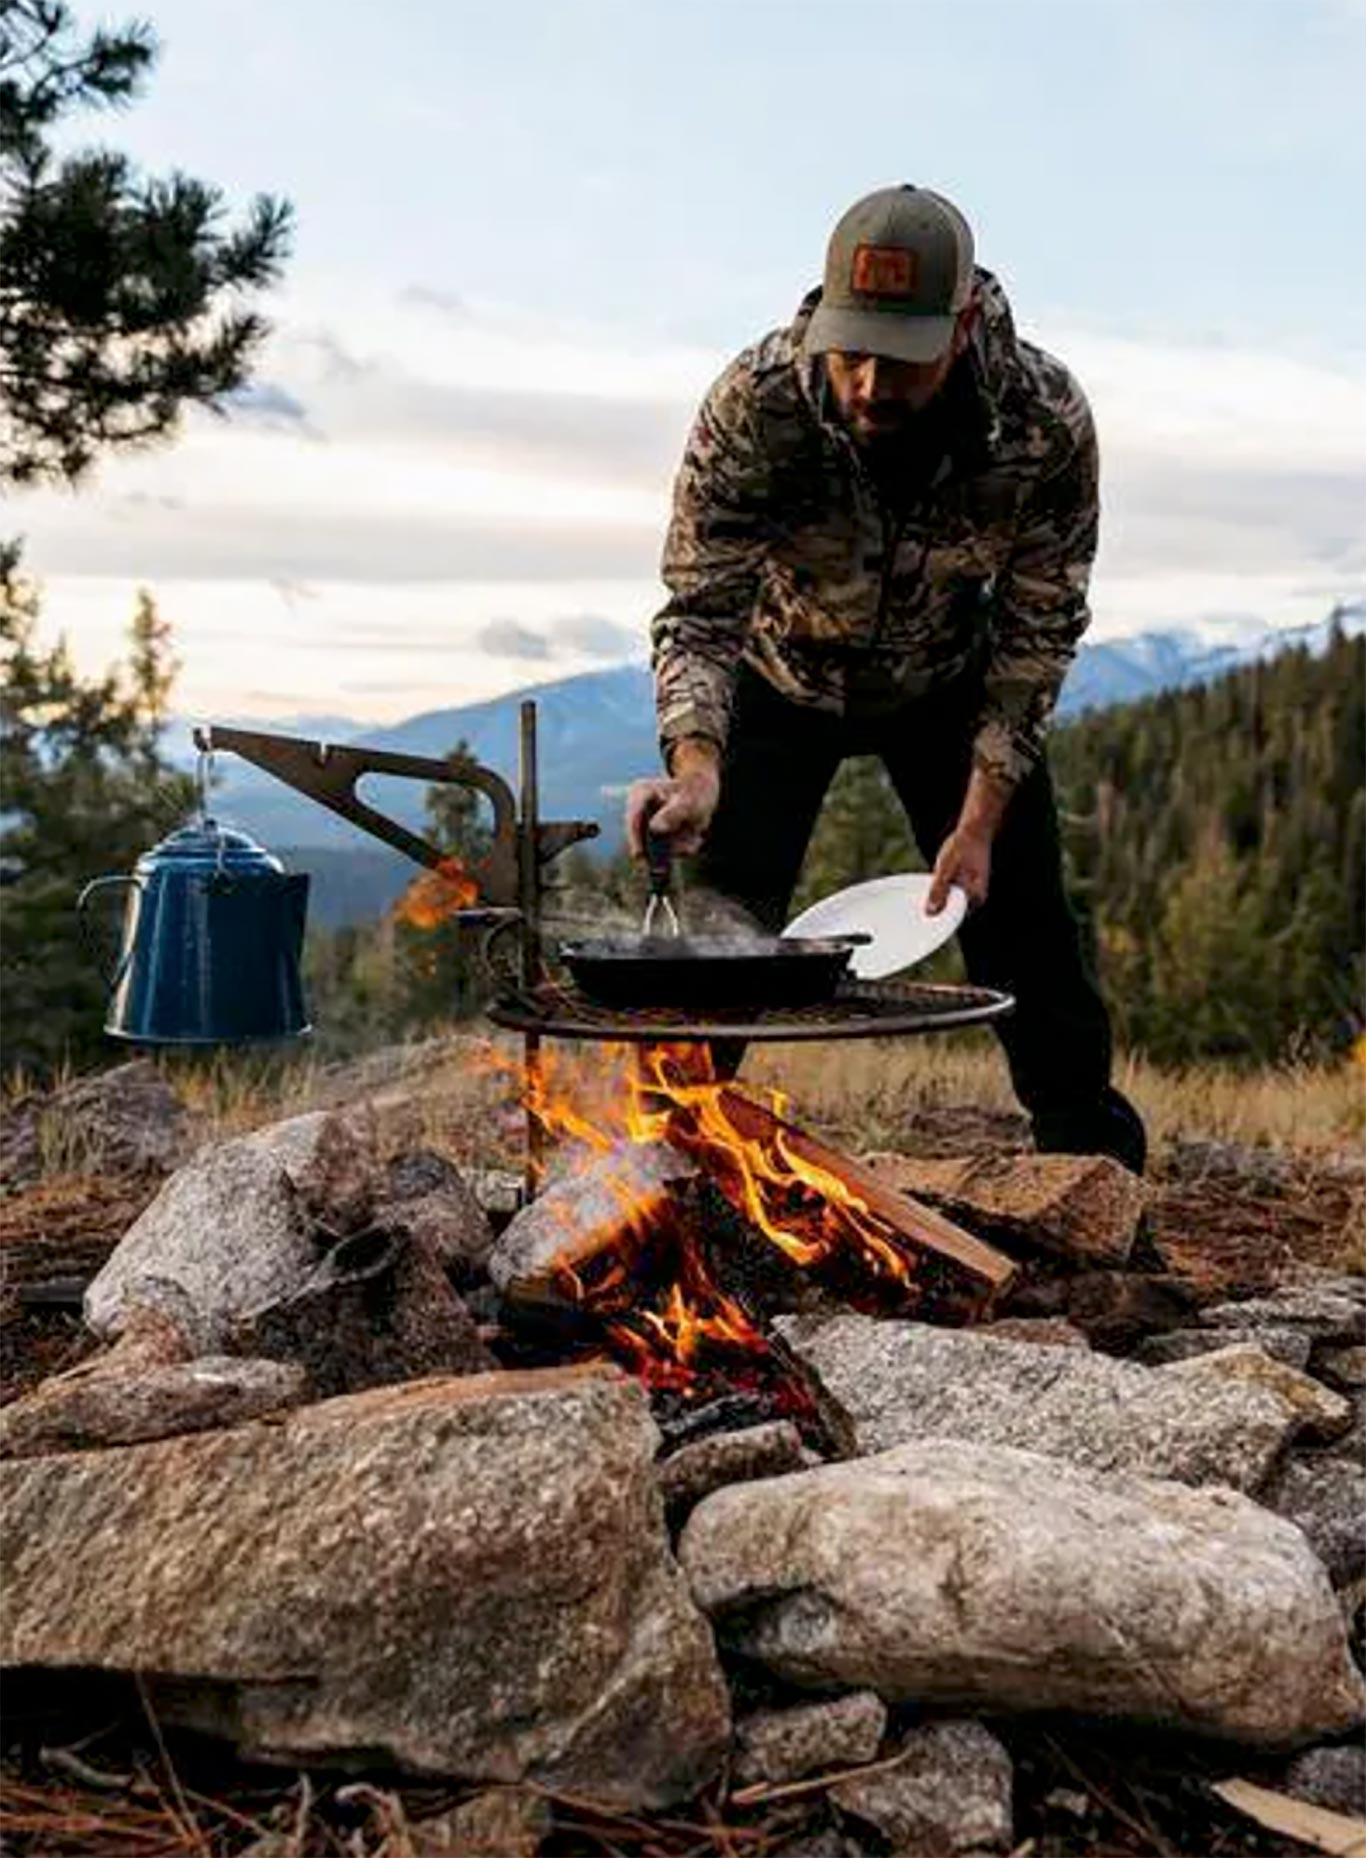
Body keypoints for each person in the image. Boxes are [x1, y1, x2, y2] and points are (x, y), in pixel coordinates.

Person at [625, 182, 1146, 1174]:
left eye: (898, 358)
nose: (867, 382)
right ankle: (658, 1184)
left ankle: (1094, 1179)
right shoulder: (756, 401)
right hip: (777, 681)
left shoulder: (1041, 419)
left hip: (946, 681)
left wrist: (981, 817)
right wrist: (697, 764)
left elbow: (1037, 631)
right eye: (849, 347)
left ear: (959, 327)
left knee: (1029, 937)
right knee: (715, 948)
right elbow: (699, 608)